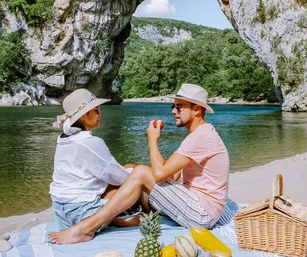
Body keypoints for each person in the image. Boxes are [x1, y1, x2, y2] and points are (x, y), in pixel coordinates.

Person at [48, 84, 230, 244]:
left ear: (197, 109)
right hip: (193, 203)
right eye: (173, 106)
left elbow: (159, 175)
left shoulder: (201, 137)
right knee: (137, 172)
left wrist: (151, 140)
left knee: (141, 172)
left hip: (202, 214)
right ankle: (123, 216)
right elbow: (171, 175)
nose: (173, 111)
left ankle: (86, 228)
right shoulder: (199, 135)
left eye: (179, 107)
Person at [50, 88, 132, 231]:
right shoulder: (91, 142)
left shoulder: (63, 141)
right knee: (135, 177)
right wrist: (135, 172)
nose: (100, 114)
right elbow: (120, 178)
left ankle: (120, 217)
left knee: (123, 174)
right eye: (97, 110)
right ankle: (130, 217)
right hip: (83, 214)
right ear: (83, 116)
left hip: (61, 214)